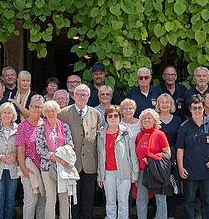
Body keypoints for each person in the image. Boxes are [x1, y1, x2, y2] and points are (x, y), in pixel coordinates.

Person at [58, 84, 101, 219]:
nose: (81, 97)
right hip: (71, 164)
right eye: (78, 94)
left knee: (88, 201)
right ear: (73, 96)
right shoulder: (63, 113)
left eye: (84, 95)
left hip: (90, 163)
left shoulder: (96, 114)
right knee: (72, 201)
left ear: (89, 97)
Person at [177, 94, 209, 219]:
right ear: (190, 109)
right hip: (189, 171)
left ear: (203, 109)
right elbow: (180, 149)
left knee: (207, 201)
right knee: (188, 202)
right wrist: (180, 167)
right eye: (194, 108)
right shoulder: (184, 127)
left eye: (199, 108)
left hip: (207, 172)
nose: (197, 110)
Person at [97, 105, 138, 219]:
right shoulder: (100, 134)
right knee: (110, 201)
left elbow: (132, 154)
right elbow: (100, 156)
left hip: (124, 172)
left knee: (123, 201)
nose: (113, 118)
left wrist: (135, 173)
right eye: (110, 116)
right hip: (107, 172)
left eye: (116, 115)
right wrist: (100, 176)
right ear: (106, 118)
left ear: (120, 117)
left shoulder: (126, 132)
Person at [35, 100, 74, 219]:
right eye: (48, 111)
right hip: (47, 168)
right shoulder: (41, 128)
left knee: (64, 199)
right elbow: (39, 148)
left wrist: (62, 158)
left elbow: (70, 145)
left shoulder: (65, 126)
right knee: (51, 199)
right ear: (44, 113)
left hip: (63, 167)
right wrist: (56, 157)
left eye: (53, 110)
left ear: (57, 111)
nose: (51, 113)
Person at [137, 109, 172, 219]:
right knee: (141, 200)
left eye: (149, 118)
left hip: (156, 171)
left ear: (154, 120)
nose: (146, 120)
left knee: (160, 200)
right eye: (144, 118)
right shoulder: (139, 135)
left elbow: (167, 154)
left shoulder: (159, 134)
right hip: (142, 171)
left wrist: (152, 159)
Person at [15, 94, 46, 219]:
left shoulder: (46, 124)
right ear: (29, 107)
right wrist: (24, 169)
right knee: (30, 200)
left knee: (43, 201)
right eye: (34, 106)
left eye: (39, 107)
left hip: (45, 169)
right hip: (29, 168)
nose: (36, 109)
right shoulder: (22, 126)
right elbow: (20, 150)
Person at [156, 93, 182, 218]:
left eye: (168, 102)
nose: (165, 104)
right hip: (158, 157)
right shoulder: (154, 119)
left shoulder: (177, 120)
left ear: (171, 104)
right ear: (158, 105)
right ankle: (160, 214)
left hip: (173, 157)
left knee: (172, 185)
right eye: (162, 102)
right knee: (159, 186)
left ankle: (170, 214)